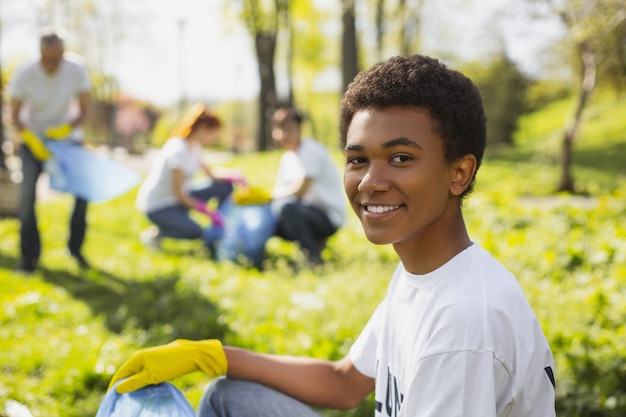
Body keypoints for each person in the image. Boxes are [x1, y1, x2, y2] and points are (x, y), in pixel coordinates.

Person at [107, 55, 556, 416]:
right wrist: (215, 355)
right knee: (229, 395)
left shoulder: (464, 326)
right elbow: (344, 383)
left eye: (400, 158)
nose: (370, 182)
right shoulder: (422, 275)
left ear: (459, 173)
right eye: (358, 159)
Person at [8, 28, 92, 272]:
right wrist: (30, 138)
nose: (49, 65)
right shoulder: (25, 73)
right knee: (26, 200)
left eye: (54, 59)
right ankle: (29, 257)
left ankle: (75, 249)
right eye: (45, 58)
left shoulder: (76, 69)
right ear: (39, 53)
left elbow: (87, 108)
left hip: (67, 140)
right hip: (33, 140)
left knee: (82, 194)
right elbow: (13, 114)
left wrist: (68, 128)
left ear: (63, 54)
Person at [135, 103, 236, 250]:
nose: (215, 138)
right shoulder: (177, 150)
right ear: (203, 129)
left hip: (178, 198)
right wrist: (207, 211)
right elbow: (180, 195)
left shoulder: (195, 146)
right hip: (160, 205)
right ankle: (156, 234)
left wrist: (233, 176)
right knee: (195, 231)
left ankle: (220, 229)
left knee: (224, 187)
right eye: (214, 133)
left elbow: (211, 175)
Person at [270, 107, 346, 265]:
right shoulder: (287, 158)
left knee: (286, 208)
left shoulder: (310, 150)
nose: (283, 134)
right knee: (272, 215)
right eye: (279, 129)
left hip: (327, 217)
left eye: (289, 129)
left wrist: (269, 196)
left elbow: (299, 190)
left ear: (299, 129)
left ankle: (312, 256)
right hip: (306, 211)